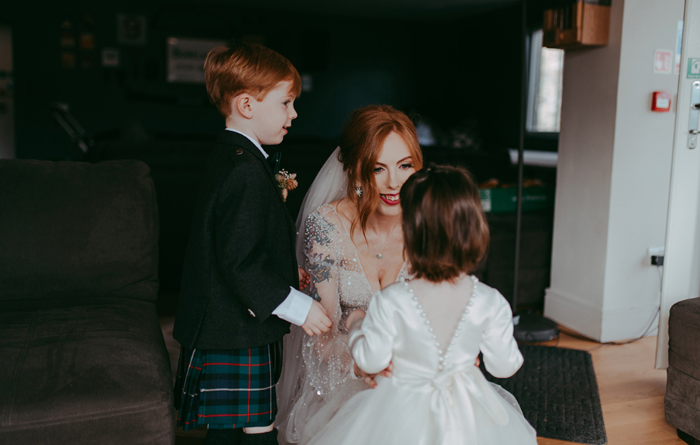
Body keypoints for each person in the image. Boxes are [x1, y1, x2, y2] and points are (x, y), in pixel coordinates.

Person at [303, 164, 538, 445]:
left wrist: (356, 324)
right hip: (466, 412)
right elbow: (505, 366)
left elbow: (370, 360)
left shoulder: (390, 301)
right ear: (476, 230)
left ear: (410, 234)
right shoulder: (491, 301)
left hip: (399, 407)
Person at [172, 41, 332, 445]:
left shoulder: (235, 157)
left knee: (230, 430)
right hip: (234, 330)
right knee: (255, 429)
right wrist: (301, 308)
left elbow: (237, 242)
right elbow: (239, 263)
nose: (293, 114)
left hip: (231, 324)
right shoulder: (244, 170)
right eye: (286, 102)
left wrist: (283, 270)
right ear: (246, 105)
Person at [275, 105, 424, 444]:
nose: (394, 182)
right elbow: (320, 334)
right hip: (344, 374)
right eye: (378, 168)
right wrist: (364, 365)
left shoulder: (428, 225)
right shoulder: (326, 227)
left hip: (414, 374)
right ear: (356, 170)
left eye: (405, 166)